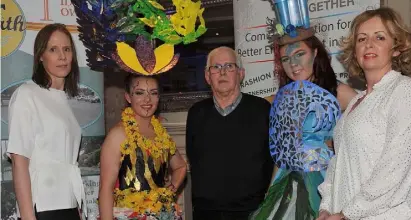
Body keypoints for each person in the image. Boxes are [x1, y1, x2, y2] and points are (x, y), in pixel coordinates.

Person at [250, 1, 357, 219]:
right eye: (286, 58)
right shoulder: (281, 99)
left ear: (315, 52)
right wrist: (270, 193)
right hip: (285, 183)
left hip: (326, 183)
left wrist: (336, 141)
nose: (293, 64)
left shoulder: (339, 93)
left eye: (300, 54)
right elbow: (281, 155)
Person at [317, 7, 411, 220]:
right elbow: (338, 163)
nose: (369, 44)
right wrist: (326, 207)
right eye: (361, 39)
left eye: (380, 37)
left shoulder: (406, 90)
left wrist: (347, 213)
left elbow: (395, 169)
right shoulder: (356, 100)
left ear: (396, 48)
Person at [7, 23, 85, 220]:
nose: (62, 56)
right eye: (53, 49)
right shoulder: (27, 94)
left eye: (67, 49)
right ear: (41, 56)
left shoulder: (63, 99)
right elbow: (19, 161)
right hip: (42, 206)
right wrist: (27, 215)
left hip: (69, 203)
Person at [186, 46, 274, 220]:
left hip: (252, 212)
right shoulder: (196, 113)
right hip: (206, 212)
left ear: (241, 74)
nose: (223, 72)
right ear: (207, 76)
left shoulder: (262, 110)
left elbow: (272, 159)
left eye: (229, 66)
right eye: (216, 67)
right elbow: (193, 156)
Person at [99, 74, 187, 220]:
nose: (147, 99)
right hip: (129, 215)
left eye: (153, 93)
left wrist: (170, 190)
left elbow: (180, 166)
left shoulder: (161, 133)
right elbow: (105, 187)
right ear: (128, 97)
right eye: (139, 93)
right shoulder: (118, 134)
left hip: (163, 214)